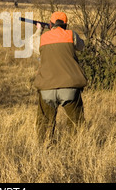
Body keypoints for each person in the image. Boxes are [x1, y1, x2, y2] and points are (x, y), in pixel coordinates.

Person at [31, 11, 87, 144]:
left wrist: (39, 30)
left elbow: (33, 46)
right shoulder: (71, 35)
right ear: (66, 25)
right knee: (76, 122)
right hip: (70, 88)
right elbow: (81, 46)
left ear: (50, 24)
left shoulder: (43, 38)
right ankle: (75, 149)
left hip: (46, 88)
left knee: (44, 123)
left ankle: (44, 148)